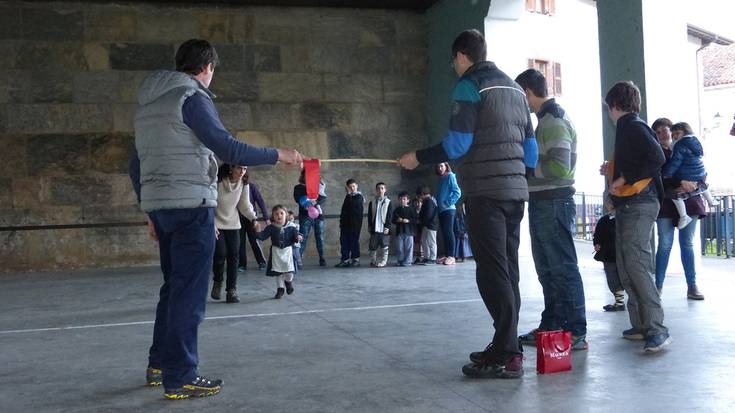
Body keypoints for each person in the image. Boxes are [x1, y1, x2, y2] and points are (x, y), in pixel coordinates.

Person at [129, 39, 303, 399]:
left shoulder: (148, 105)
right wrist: (278, 154)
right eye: (213, 71)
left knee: (173, 287)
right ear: (206, 67)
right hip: (192, 207)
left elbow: (136, 163)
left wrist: (150, 210)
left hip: (162, 207)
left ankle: (159, 365)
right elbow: (227, 147)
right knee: (190, 294)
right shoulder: (191, 98)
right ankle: (181, 377)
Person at [398, 29, 537, 379]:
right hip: (515, 194)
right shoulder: (515, 90)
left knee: (492, 273)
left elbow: (457, 146)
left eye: (453, 60)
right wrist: (518, 179)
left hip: (485, 194)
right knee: (508, 270)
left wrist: (419, 157)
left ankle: (507, 353)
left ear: (462, 56)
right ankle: (508, 345)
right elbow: (531, 151)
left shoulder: (469, 85)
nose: (453, 65)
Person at [514, 69, 588, 351]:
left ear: (527, 93)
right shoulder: (545, 119)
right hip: (544, 202)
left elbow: (561, 166)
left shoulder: (553, 119)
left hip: (554, 202)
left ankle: (575, 331)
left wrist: (526, 169)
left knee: (563, 268)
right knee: (547, 269)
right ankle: (553, 325)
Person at [602, 80, 670, 353]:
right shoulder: (629, 127)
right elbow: (641, 159)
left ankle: (657, 329)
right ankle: (642, 325)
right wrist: (614, 171)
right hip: (631, 204)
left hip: (640, 203)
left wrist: (625, 177)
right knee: (627, 263)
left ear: (614, 106)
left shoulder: (633, 125)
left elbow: (656, 157)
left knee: (637, 264)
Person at [652, 118, 707, 300]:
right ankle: (657, 287)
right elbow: (658, 177)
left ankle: (692, 286)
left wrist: (693, 184)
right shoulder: (655, 152)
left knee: (687, 244)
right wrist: (680, 181)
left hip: (690, 201)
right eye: (658, 131)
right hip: (666, 204)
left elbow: (701, 172)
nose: (663, 134)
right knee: (665, 244)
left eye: (665, 130)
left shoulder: (685, 146)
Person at [211, 164, 257, 304]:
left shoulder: (243, 184)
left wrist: (253, 218)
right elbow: (209, 203)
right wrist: (211, 223)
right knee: (220, 254)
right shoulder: (217, 181)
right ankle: (218, 281)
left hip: (233, 224)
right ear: (231, 168)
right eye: (239, 168)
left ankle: (231, 290)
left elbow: (244, 205)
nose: (242, 172)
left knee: (234, 256)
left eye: (244, 169)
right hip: (216, 223)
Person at [662, 122, 718, 229]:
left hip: (687, 174)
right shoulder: (696, 142)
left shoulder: (680, 145)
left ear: (685, 132)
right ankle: (711, 200)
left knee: (675, 195)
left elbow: (676, 161)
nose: (675, 137)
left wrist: (667, 173)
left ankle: (684, 216)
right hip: (699, 172)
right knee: (701, 185)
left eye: (677, 133)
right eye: (673, 134)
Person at [256, 205, 302, 299]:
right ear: (273, 216)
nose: (279, 215)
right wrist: (257, 231)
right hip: (276, 253)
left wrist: (298, 237)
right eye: (276, 214)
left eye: (281, 213)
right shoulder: (271, 227)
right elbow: (262, 236)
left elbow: (296, 235)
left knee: (289, 272)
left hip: (288, 252)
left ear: (286, 215)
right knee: (278, 272)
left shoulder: (291, 226)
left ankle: (288, 282)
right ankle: (280, 289)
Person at [593, 200, 625, 312]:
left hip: (623, 253)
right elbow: (597, 234)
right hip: (608, 254)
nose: (610, 205)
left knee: (623, 277)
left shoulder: (624, 218)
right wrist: (597, 244)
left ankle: (620, 302)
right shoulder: (604, 220)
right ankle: (619, 302)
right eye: (609, 203)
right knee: (612, 278)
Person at [293, 170, 327, 266]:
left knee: (320, 237)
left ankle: (322, 258)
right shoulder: (298, 187)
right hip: (305, 215)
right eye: (306, 175)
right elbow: (298, 199)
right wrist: (309, 192)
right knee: (302, 237)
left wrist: (318, 186)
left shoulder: (317, 186)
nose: (307, 177)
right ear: (302, 176)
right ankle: (298, 260)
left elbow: (323, 198)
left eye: (310, 176)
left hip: (318, 215)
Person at [238, 167, 267, 272]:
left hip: (251, 219)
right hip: (238, 219)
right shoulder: (234, 187)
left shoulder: (251, 187)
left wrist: (266, 217)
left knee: (254, 240)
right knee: (240, 242)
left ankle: (262, 262)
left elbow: (260, 202)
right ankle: (242, 264)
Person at [435, 162, 462, 265]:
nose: (440, 168)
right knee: (445, 234)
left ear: (446, 166)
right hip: (442, 210)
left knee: (448, 232)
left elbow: (457, 192)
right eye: (438, 166)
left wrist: (447, 203)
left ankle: (451, 256)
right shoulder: (441, 179)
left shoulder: (450, 176)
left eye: (442, 165)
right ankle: (447, 255)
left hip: (449, 210)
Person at [336, 178, 364, 267]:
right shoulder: (348, 197)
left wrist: (348, 195)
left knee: (354, 241)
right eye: (350, 187)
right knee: (344, 242)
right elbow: (344, 210)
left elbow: (353, 207)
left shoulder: (359, 197)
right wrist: (341, 221)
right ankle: (345, 259)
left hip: (355, 224)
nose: (352, 188)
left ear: (356, 186)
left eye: (353, 186)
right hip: (345, 224)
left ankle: (356, 259)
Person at [366, 182, 393, 268]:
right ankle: (373, 261)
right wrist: (369, 225)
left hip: (383, 227)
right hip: (375, 227)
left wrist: (387, 226)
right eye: (378, 188)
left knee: (384, 245)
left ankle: (383, 261)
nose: (380, 190)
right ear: (376, 190)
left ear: (385, 190)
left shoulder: (388, 202)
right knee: (372, 245)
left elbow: (389, 215)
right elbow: (370, 215)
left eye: (382, 188)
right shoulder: (372, 202)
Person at [392, 191, 418, 266]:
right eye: (400, 199)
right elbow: (393, 220)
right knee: (400, 247)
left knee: (409, 247)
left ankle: (408, 261)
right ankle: (400, 260)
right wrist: (397, 220)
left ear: (408, 200)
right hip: (399, 231)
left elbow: (416, 220)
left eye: (404, 199)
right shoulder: (397, 210)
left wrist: (408, 220)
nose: (402, 201)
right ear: (398, 200)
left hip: (409, 231)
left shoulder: (412, 209)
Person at [417, 185, 438, 264]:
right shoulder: (427, 201)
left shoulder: (429, 202)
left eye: (420, 195)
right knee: (424, 241)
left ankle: (432, 258)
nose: (420, 197)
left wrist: (420, 221)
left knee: (431, 242)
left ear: (422, 194)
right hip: (426, 225)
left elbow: (428, 215)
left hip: (431, 225)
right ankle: (426, 257)